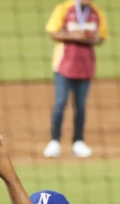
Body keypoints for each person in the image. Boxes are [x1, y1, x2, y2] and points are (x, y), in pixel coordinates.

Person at [42, 0, 108, 158]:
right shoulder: (64, 9)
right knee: (60, 103)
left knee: (80, 106)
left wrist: (87, 38)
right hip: (64, 67)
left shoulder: (97, 13)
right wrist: (73, 36)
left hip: (86, 68)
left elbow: (101, 37)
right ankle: (54, 142)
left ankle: (78, 142)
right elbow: (53, 32)